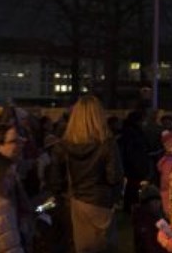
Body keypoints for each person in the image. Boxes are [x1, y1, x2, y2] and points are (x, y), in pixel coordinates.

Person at [49, 95, 125, 253]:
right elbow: (114, 177)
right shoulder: (107, 144)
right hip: (101, 203)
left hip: (75, 202)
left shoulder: (62, 146)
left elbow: (55, 181)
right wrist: (115, 199)